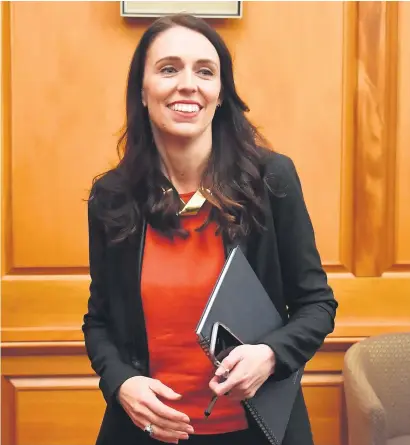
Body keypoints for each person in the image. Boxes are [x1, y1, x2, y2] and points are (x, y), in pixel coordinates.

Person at [82, 13, 337, 445]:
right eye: (168, 69)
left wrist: (270, 355)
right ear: (142, 92)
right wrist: (122, 382)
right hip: (147, 432)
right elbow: (99, 321)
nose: (188, 84)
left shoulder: (272, 180)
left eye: (205, 71)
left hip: (258, 430)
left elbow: (317, 304)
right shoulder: (112, 196)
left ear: (220, 94)